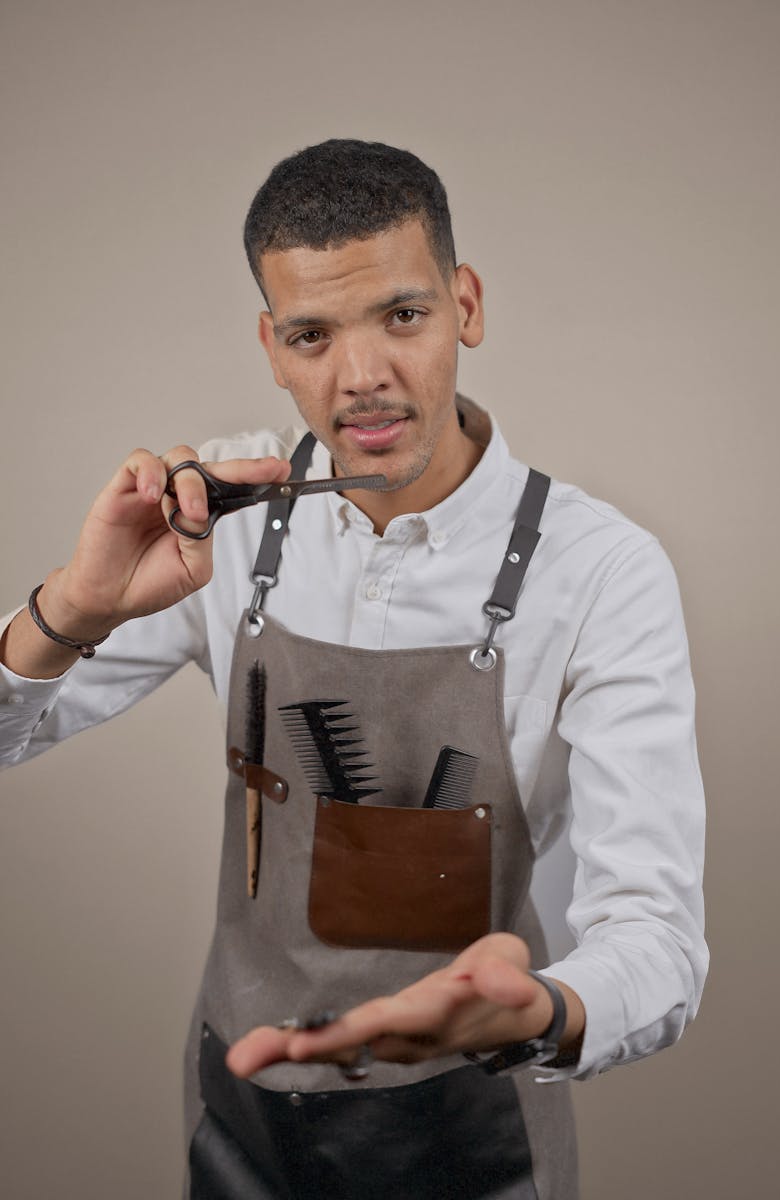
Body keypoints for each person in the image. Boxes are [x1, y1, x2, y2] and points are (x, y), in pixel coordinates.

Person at [0, 140, 707, 1199]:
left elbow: (656, 937)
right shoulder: (217, 524)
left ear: (465, 305)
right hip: (242, 1115)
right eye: (312, 335)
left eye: (403, 317)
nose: (361, 376)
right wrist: (74, 608)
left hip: (475, 1131)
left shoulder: (600, 571)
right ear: (272, 347)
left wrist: (544, 1009)